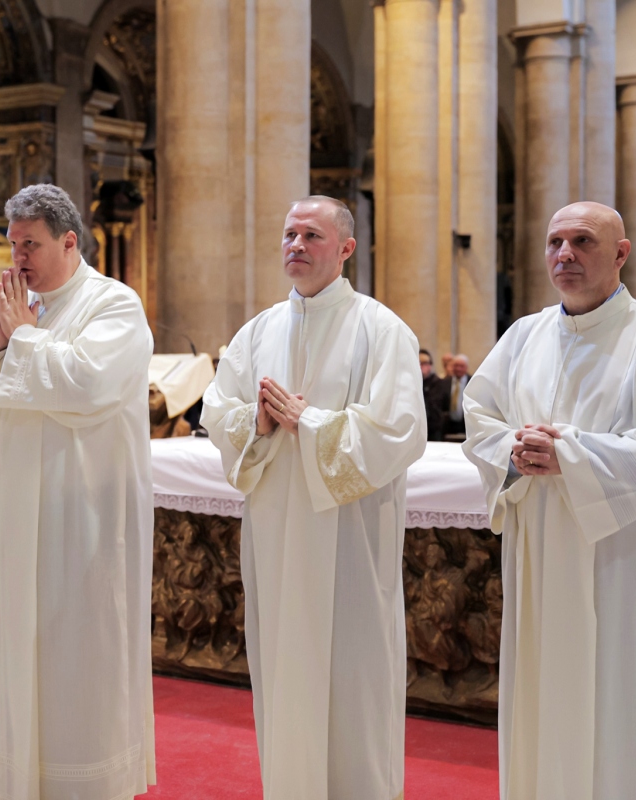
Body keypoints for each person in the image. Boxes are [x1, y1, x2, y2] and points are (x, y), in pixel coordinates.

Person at [462, 202, 636, 800]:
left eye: (582, 241)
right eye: (554, 242)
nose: (564, 255)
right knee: (543, 684)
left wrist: (569, 455)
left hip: (618, 555)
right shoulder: (524, 335)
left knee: (613, 689)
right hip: (540, 545)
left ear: (620, 254)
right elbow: (480, 414)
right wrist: (512, 452)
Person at [202, 195, 426, 800]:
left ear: (346, 249)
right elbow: (216, 411)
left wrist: (313, 423)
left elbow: (400, 431)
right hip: (276, 530)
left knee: (352, 673)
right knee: (283, 666)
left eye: (311, 235)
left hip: (350, 537)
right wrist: (259, 425)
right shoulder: (259, 330)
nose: (295, 245)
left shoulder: (381, 329)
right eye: (288, 234)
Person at [0, 184, 155, 800]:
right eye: (12, 244)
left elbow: (87, 386)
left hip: (79, 515)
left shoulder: (114, 304)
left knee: (75, 652)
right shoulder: (11, 304)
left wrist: (23, 339)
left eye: (29, 244)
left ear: (67, 240)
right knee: (11, 643)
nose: (18, 257)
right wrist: (2, 339)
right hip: (9, 512)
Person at [421, 348, 448, 442]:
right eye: (419, 363)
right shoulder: (410, 383)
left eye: (424, 363)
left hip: (433, 429)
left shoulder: (438, 383)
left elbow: (435, 405)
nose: (421, 366)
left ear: (430, 365)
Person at [443, 353, 471, 438]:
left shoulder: (473, 383)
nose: (458, 369)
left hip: (466, 426)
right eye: (456, 366)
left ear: (466, 367)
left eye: (461, 366)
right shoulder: (444, 383)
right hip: (448, 427)